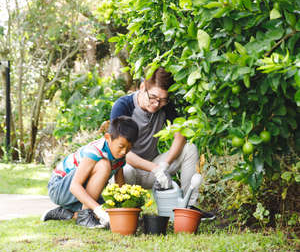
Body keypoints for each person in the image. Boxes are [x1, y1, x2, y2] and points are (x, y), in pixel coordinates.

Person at [110, 67, 215, 220]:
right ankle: (128, 210)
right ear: (142, 87)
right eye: (153, 97)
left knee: (189, 149)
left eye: (162, 100)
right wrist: (155, 169)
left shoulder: (164, 106)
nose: (156, 104)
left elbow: (181, 135)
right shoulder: (123, 106)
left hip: (154, 168)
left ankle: (187, 208)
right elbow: (118, 152)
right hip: (128, 170)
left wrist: (164, 164)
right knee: (125, 168)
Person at [42, 116, 139, 228]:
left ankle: (66, 213)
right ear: (108, 138)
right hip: (59, 187)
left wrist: (125, 209)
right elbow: (74, 186)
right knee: (104, 165)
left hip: (78, 193)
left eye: (129, 148)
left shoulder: (120, 155)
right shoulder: (95, 151)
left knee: (111, 213)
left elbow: (120, 187)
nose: (124, 152)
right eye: (121, 146)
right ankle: (85, 217)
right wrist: (98, 209)